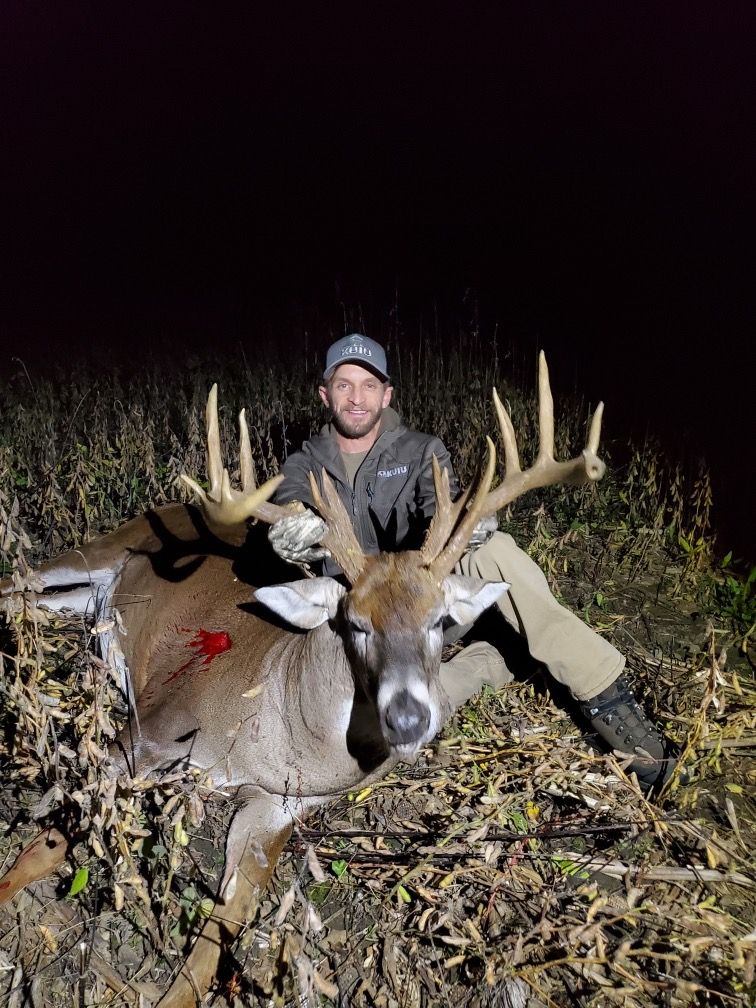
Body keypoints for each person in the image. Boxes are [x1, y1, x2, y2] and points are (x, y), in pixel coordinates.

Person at [268, 334, 680, 790]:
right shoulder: (301, 465)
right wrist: (293, 535)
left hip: (422, 604)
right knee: (370, 725)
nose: (357, 397)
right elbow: (292, 510)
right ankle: (503, 658)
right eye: (344, 385)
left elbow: (441, 506)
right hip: (364, 626)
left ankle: (606, 698)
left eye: (369, 385)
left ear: (387, 395)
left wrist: (470, 524)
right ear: (325, 394)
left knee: (495, 549)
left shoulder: (422, 450)